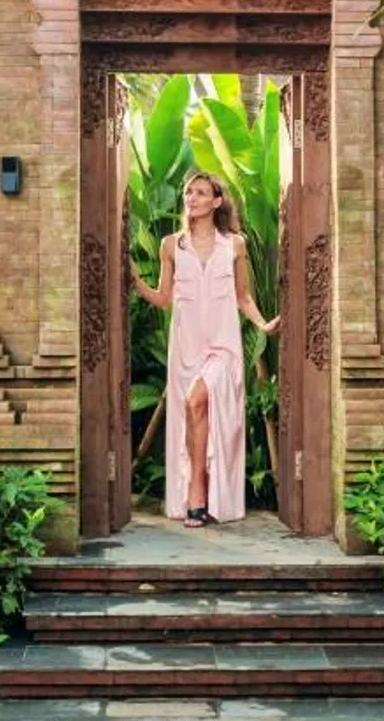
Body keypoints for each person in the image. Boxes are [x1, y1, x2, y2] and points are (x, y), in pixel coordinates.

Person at [131, 172, 279, 527]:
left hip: (223, 345)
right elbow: (164, 299)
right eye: (188, 192)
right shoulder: (171, 245)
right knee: (192, 412)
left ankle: (197, 493)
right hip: (186, 346)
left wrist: (262, 325)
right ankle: (201, 492)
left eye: (200, 192)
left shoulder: (235, 245)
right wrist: (134, 280)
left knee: (196, 401)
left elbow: (243, 297)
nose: (192, 198)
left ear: (216, 201)